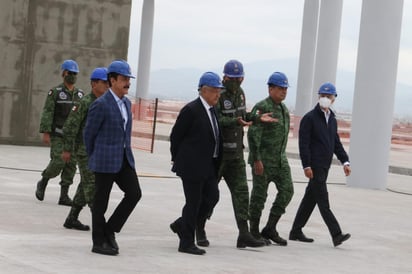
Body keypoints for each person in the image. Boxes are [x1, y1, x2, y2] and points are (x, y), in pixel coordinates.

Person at [197, 60, 274, 249]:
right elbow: (216, 118)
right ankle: (198, 227)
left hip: (236, 156)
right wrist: (235, 121)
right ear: (225, 77)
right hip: (218, 156)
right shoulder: (218, 94)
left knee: (242, 194)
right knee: (208, 196)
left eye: (240, 78)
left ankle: (244, 234)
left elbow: (243, 116)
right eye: (233, 78)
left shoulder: (240, 94)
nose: (237, 82)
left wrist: (256, 118)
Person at [84, 60, 142, 256]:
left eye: (128, 79)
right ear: (112, 80)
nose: (128, 83)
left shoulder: (126, 103)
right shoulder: (100, 105)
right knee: (100, 203)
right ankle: (98, 242)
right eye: (124, 79)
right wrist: (95, 155)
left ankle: (110, 230)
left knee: (134, 194)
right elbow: (88, 135)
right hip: (104, 159)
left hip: (124, 158)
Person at [289, 82, 351, 247]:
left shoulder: (332, 119)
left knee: (310, 199)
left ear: (334, 99)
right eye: (322, 96)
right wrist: (306, 166)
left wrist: (345, 161)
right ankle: (336, 234)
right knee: (323, 201)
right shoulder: (310, 118)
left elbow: (336, 143)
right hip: (315, 167)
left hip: (325, 166)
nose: (325, 99)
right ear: (318, 97)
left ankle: (295, 231)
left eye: (328, 96)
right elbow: (304, 144)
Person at [169, 72, 223, 255]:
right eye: (215, 91)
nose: (218, 95)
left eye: (219, 91)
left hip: (208, 165)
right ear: (204, 91)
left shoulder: (212, 111)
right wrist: (177, 157)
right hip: (191, 165)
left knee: (212, 197)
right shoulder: (191, 110)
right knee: (193, 202)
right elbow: (176, 136)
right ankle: (186, 242)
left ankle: (182, 224)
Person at [247, 72, 294, 246]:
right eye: (280, 88)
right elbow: (253, 135)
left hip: (280, 161)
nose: (283, 91)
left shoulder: (284, 110)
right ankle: (253, 230)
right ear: (270, 88)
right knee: (259, 197)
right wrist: (257, 160)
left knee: (288, 191)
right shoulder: (262, 107)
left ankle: (270, 228)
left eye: (285, 88)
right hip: (263, 162)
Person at [61, 67, 109, 231]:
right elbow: (70, 127)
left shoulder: (104, 102)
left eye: (108, 82)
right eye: (104, 82)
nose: (107, 86)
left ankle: (72, 218)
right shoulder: (85, 103)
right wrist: (67, 149)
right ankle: (100, 225)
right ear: (93, 84)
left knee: (85, 184)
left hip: (96, 152)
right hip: (84, 152)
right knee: (92, 187)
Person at [36, 59, 84, 206]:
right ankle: (44, 180)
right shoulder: (55, 92)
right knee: (58, 161)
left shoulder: (80, 95)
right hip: (58, 134)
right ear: (64, 73)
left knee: (71, 165)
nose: (73, 76)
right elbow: (48, 112)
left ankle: (64, 196)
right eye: (70, 73)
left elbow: (82, 116)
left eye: (75, 73)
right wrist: (46, 132)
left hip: (73, 138)